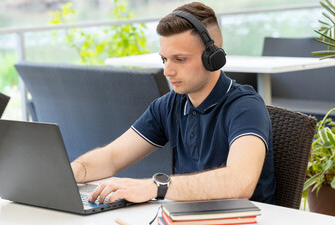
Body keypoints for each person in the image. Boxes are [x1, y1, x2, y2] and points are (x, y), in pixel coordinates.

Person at [71, 2, 275, 205]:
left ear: (213, 58)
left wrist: (156, 187)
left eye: (180, 59)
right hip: (190, 222)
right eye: (164, 60)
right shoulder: (169, 105)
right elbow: (113, 156)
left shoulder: (245, 107)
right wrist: (73, 171)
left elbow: (239, 182)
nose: (168, 72)